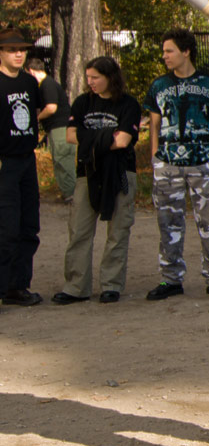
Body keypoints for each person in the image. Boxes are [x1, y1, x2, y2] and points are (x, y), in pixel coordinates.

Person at [143, 28, 209, 302]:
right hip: (168, 165)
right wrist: (155, 158)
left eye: (169, 51)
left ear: (186, 51)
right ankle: (170, 279)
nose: (165, 56)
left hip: (202, 164)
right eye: (163, 51)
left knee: (207, 221)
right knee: (168, 223)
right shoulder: (159, 86)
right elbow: (155, 124)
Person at [52, 56, 141, 305]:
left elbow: (124, 140)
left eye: (95, 78)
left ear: (110, 78)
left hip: (121, 172)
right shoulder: (82, 103)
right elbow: (70, 136)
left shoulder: (128, 104)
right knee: (79, 230)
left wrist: (90, 138)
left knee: (118, 230)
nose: (90, 82)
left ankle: (111, 285)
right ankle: (76, 287)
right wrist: (105, 137)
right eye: (88, 77)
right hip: (87, 172)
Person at [0, 28, 43, 311]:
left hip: (27, 160)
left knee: (29, 225)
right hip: (4, 162)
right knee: (6, 228)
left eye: (22, 49)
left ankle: (18, 286)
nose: (18, 53)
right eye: (12, 49)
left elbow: (35, 114)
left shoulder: (29, 82)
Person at [26, 58, 76, 201]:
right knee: (60, 159)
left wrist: (37, 118)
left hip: (60, 127)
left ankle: (71, 194)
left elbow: (51, 108)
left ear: (31, 71)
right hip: (57, 127)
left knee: (63, 159)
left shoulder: (47, 85)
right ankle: (67, 192)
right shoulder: (46, 84)